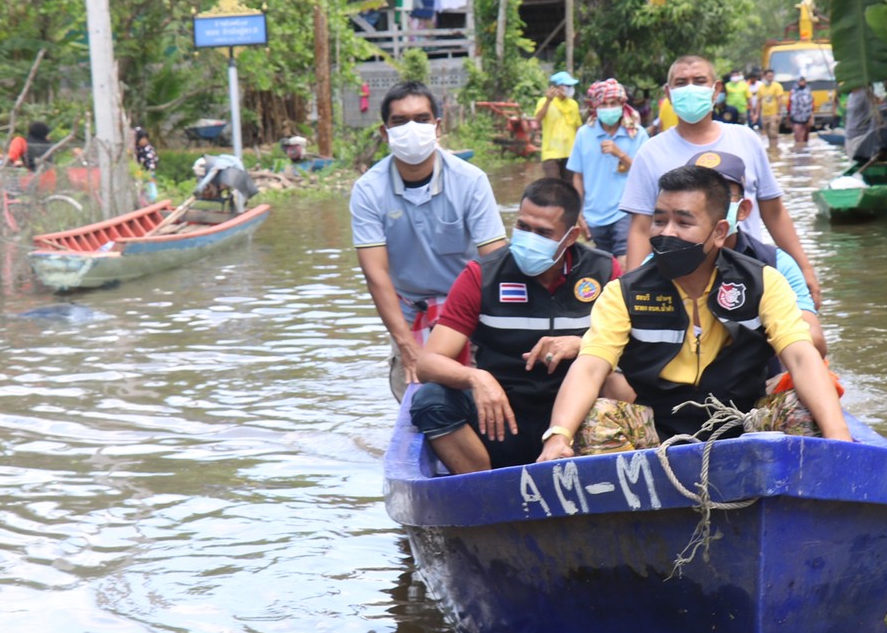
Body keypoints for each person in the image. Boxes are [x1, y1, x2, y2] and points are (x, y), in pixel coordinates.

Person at [537, 165, 850, 461]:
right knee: (597, 417)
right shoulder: (624, 292)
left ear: (718, 231)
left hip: (745, 426)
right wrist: (558, 436)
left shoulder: (762, 282)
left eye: (683, 223)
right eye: (660, 221)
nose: (667, 233)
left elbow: (800, 355)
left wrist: (839, 437)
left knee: (801, 406)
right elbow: (590, 366)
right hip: (659, 433)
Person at [411, 179, 620, 473]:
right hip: (500, 416)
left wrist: (582, 345)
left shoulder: (604, 271)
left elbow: (637, 350)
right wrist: (476, 378)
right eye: (523, 227)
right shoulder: (482, 275)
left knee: (623, 382)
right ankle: (481, 490)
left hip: (578, 417)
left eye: (544, 233)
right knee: (430, 400)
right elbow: (428, 362)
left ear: (571, 236)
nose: (529, 238)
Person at [620, 54, 823, 308]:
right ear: (669, 93)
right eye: (681, 83)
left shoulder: (746, 139)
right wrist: (633, 289)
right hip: (679, 279)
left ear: (716, 89)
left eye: (699, 81)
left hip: (746, 275)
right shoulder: (651, 152)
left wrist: (803, 267)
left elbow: (774, 212)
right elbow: (640, 228)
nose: (690, 89)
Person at [351, 80, 507, 400]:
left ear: (437, 127)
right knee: (416, 406)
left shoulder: (469, 180)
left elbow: (495, 260)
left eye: (421, 119)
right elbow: (375, 274)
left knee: (482, 398)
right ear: (385, 132)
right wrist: (407, 346)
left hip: (468, 311)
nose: (412, 128)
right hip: (409, 315)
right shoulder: (368, 190)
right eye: (399, 121)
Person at [687, 150, 826, 355]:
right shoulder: (659, 262)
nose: (708, 206)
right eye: (697, 195)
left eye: (719, 196)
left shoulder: (775, 263)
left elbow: (814, 338)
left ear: (742, 209)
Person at [566, 78, 644, 259]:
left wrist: (620, 154)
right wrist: (579, 214)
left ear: (622, 105)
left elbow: (646, 173)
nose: (609, 108)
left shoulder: (637, 134)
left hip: (625, 211)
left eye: (613, 103)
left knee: (625, 261)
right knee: (604, 266)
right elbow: (578, 177)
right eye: (604, 104)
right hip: (594, 214)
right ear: (596, 107)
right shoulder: (584, 134)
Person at [534, 71, 581, 179]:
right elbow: (537, 119)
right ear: (556, 87)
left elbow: (578, 127)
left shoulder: (573, 105)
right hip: (551, 153)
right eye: (567, 85)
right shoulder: (544, 102)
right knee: (553, 185)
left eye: (571, 86)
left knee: (570, 186)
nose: (570, 88)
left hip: (570, 153)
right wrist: (548, 101)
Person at [844, 87, 876, 163]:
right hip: (849, 137)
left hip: (861, 137)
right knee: (852, 165)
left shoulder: (866, 94)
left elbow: (874, 117)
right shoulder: (851, 96)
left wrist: (869, 138)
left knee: (859, 166)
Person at [757, 69, 785, 153]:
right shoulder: (761, 88)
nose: (770, 78)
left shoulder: (777, 86)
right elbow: (759, 101)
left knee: (774, 134)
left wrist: (778, 113)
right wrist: (756, 114)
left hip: (774, 114)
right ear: (764, 76)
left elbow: (779, 99)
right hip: (764, 114)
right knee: (768, 134)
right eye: (768, 76)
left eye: (772, 76)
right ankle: (771, 150)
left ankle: (775, 151)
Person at [133, 126, 160, 203]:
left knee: (151, 190)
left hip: (149, 172)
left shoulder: (148, 149)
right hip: (139, 173)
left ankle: (152, 201)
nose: (145, 141)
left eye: (146, 138)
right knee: (141, 191)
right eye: (142, 138)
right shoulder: (136, 149)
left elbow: (153, 161)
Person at [788, 76, 815, 150]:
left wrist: (811, 117)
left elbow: (812, 104)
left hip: (807, 116)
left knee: (806, 137)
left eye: (803, 81)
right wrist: (789, 117)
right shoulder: (793, 92)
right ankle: (799, 152)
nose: (802, 83)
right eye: (800, 81)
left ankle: (805, 154)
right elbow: (790, 104)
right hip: (796, 117)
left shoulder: (808, 91)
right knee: (798, 136)